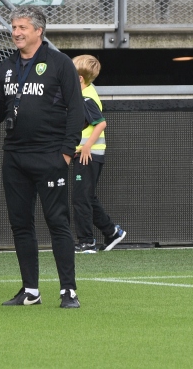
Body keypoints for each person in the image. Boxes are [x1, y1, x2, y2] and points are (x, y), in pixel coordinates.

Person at [0, 6, 85, 309]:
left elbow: (77, 111)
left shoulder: (60, 63)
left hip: (50, 156)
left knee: (57, 222)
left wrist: (65, 152)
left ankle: (68, 291)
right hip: (14, 157)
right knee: (21, 224)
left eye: (22, 27)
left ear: (39, 30)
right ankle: (30, 291)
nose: (16, 32)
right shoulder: (6, 66)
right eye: (13, 27)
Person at [70, 55, 127, 254]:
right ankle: (112, 232)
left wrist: (86, 147)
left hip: (88, 155)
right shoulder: (85, 92)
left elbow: (101, 123)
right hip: (89, 154)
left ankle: (87, 241)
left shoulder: (86, 98)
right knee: (87, 196)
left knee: (80, 198)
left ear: (79, 78)